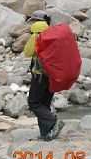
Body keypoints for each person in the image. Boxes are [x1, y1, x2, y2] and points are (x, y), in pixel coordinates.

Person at [24, 10, 64, 141]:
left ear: (35, 21)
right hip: (52, 75)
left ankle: (53, 121)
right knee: (44, 104)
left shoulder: (36, 35)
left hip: (39, 75)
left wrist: (32, 37)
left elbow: (28, 52)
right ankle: (46, 133)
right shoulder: (53, 33)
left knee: (34, 103)